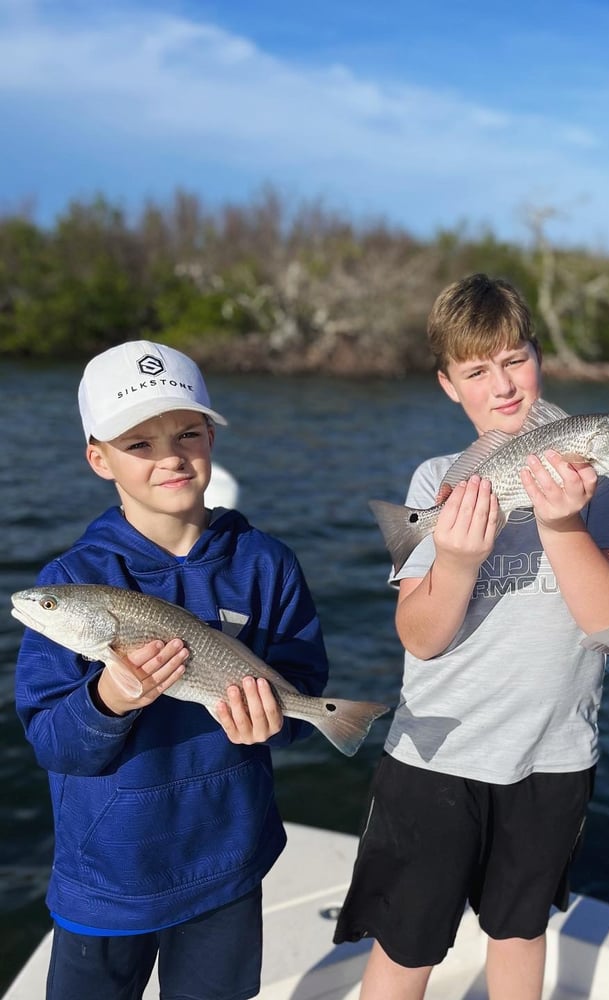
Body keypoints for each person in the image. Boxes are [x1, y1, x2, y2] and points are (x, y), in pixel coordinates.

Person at [333, 273, 609, 999]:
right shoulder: (438, 478)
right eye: (477, 370)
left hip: (554, 754)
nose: (502, 385)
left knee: (519, 929)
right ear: (450, 385)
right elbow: (420, 637)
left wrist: (564, 522)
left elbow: (608, 625)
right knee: (408, 942)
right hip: (435, 754)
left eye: (515, 360)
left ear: (539, 355)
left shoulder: (604, 481)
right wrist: (456, 557)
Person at [14, 340, 331, 1000]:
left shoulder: (265, 563)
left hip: (229, 864)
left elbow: (304, 686)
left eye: (187, 432)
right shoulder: (73, 580)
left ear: (211, 435)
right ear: (98, 458)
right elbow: (51, 738)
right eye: (139, 443)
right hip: (107, 879)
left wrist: (277, 723)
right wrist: (107, 699)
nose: (169, 457)